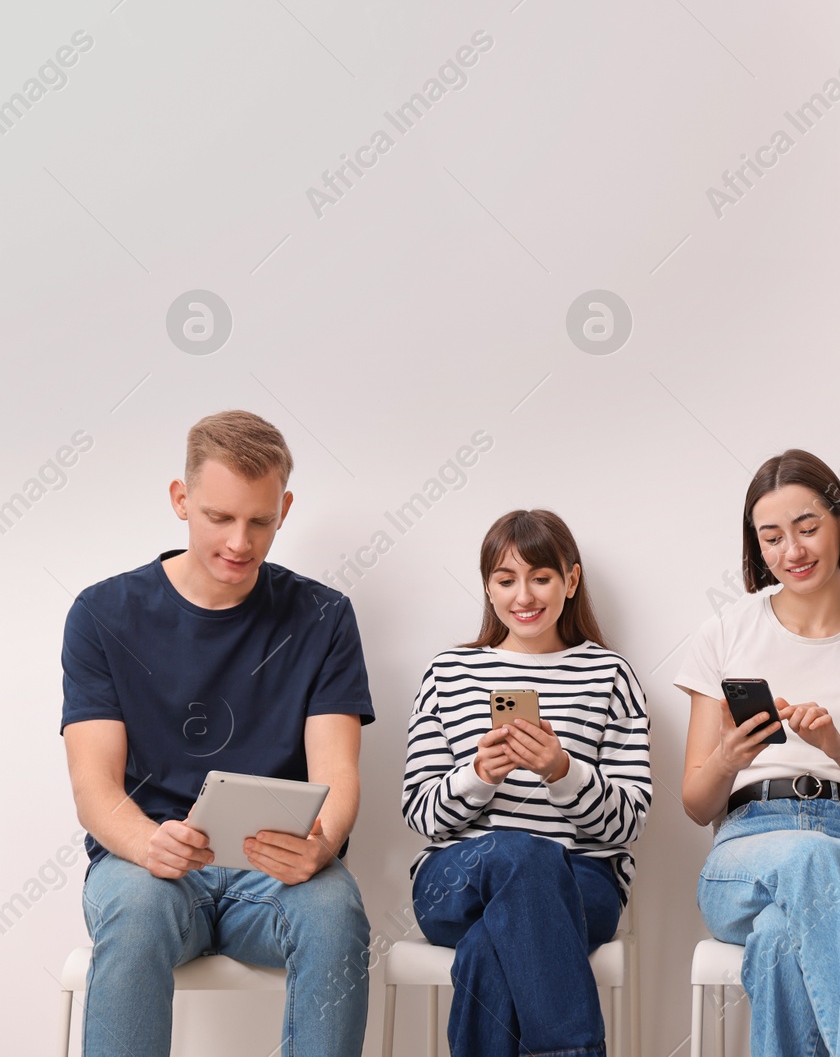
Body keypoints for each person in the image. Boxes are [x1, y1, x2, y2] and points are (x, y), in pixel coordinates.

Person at [61, 410, 374, 1057]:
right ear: (181, 500)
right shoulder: (102, 613)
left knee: (335, 914)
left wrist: (322, 845)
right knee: (137, 912)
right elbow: (93, 786)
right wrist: (149, 842)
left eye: (260, 520)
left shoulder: (324, 616)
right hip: (150, 864)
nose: (240, 541)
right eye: (219, 517)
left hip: (276, 870)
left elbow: (338, 770)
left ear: (284, 508)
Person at [676, 449, 840, 1056]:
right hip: (744, 852)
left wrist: (838, 749)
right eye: (771, 538)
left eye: (808, 528)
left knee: (778, 937)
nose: (792, 551)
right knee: (806, 861)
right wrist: (728, 761)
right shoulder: (724, 633)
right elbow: (694, 802)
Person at [402, 508, 651, 1057]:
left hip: (582, 880)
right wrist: (476, 777)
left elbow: (630, 820)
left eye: (540, 577)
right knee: (519, 851)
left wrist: (563, 773)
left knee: (488, 951)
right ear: (488, 588)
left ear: (571, 579)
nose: (524, 596)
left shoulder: (611, 674)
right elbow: (419, 812)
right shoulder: (448, 672)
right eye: (506, 580)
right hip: (455, 879)